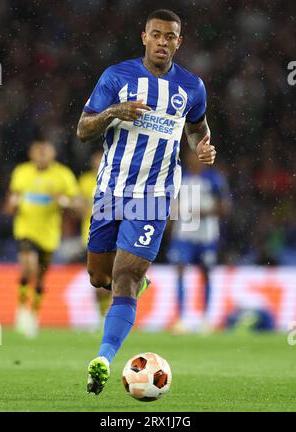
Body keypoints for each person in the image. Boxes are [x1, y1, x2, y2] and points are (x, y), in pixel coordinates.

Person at [76, 9, 216, 395]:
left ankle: (103, 358)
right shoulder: (116, 77)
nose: (162, 42)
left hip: (154, 197)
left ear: (178, 42)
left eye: (170, 37)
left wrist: (203, 147)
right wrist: (113, 112)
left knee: (125, 278)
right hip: (110, 190)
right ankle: (137, 281)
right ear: (144, 37)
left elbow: (197, 129)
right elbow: (83, 129)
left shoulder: (191, 86)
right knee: (99, 277)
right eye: (156, 34)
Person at [6, 139, 79, 338]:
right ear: (31, 154)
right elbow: (11, 204)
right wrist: (13, 203)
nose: (41, 157)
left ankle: (34, 314)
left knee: (39, 277)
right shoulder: (21, 172)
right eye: (38, 153)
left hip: (49, 235)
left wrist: (63, 201)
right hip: (25, 229)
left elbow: (77, 204)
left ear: (52, 155)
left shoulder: (62, 175)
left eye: (45, 153)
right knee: (28, 265)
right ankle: (21, 310)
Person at [167, 150, 231, 334]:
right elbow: (173, 204)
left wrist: (203, 212)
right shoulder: (180, 177)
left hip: (206, 235)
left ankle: (205, 319)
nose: (192, 159)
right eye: (190, 156)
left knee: (206, 273)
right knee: (179, 270)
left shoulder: (214, 179)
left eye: (195, 156)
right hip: (184, 235)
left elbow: (225, 207)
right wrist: (171, 224)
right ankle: (181, 319)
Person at [78, 150, 111, 323]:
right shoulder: (85, 181)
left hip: (112, 234)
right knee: (98, 279)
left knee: (112, 278)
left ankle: (107, 315)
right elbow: (81, 209)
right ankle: (101, 315)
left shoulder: (116, 181)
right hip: (90, 235)